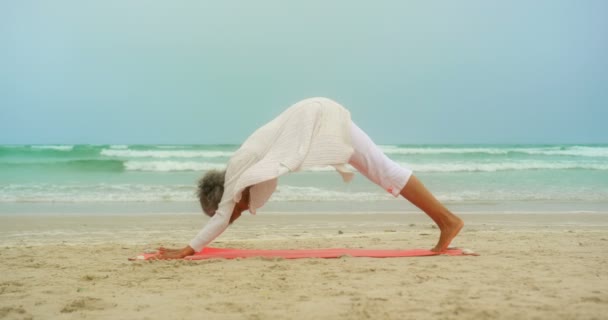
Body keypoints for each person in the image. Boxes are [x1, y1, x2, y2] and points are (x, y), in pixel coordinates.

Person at [156, 97, 463, 259]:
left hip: (317, 119)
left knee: (383, 170)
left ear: (224, 197)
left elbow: (223, 215)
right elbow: (225, 213)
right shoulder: (244, 174)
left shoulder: (238, 169)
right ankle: (446, 220)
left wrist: (189, 248)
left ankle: (447, 221)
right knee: (381, 169)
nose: (234, 217)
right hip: (317, 114)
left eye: (228, 211)